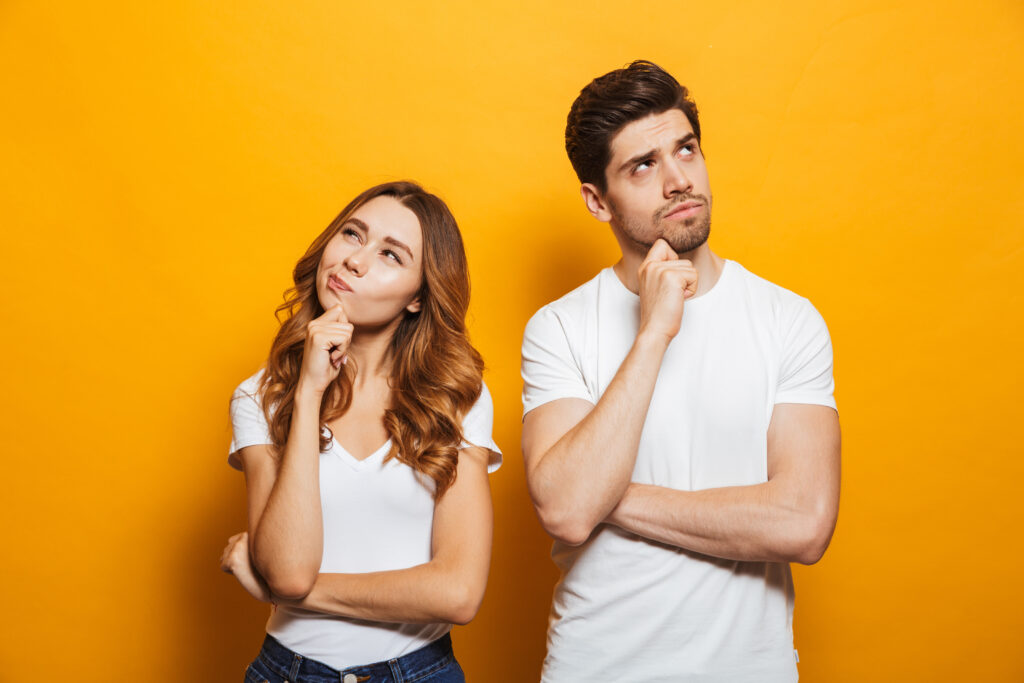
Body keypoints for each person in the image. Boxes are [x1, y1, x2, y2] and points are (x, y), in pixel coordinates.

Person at [520, 61, 841, 682]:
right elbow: (564, 511)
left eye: (686, 150)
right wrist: (654, 333)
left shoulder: (788, 319)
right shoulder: (559, 326)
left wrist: (604, 495)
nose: (678, 181)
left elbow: (803, 524)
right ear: (597, 200)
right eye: (643, 165)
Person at [219, 181, 501, 683]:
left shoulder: (456, 397)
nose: (355, 260)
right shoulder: (260, 395)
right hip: (288, 672)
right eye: (353, 234)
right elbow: (287, 567)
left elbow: (457, 592)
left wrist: (287, 593)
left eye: (390, 254)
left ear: (417, 298)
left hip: (419, 672)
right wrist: (308, 392)